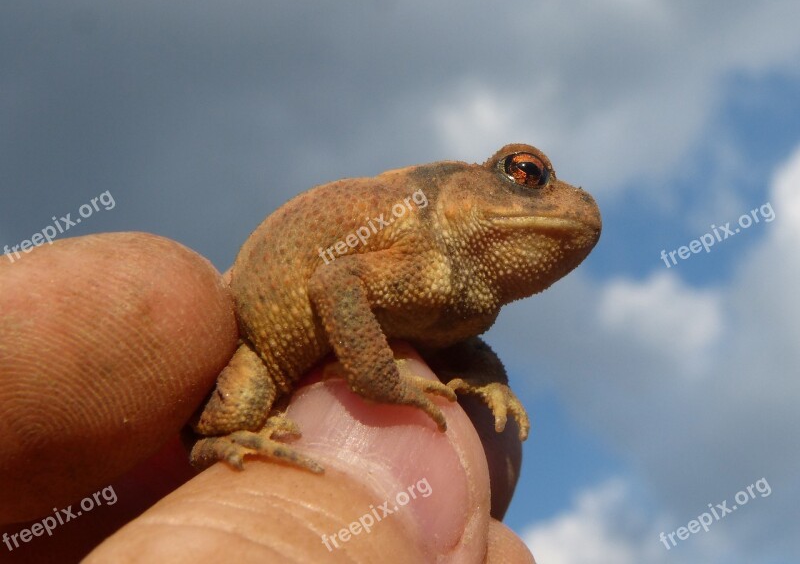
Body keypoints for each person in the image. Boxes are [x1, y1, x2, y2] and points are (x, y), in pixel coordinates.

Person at [0, 232, 535, 563]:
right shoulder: (423, 245)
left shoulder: (457, 299)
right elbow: (335, 281)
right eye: (526, 175)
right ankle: (214, 445)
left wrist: (492, 382)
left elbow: (466, 345)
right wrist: (379, 383)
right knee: (235, 411)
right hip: (265, 346)